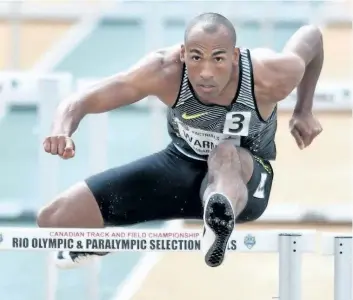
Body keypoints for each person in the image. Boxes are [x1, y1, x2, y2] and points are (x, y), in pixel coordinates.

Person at [37, 12, 323, 269]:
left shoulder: (268, 75)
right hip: (179, 166)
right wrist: (62, 128)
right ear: (183, 54)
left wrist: (303, 109)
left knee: (225, 152)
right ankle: (99, 245)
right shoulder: (165, 71)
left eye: (218, 59)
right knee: (55, 218)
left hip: (243, 180)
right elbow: (85, 98)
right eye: (197, 57)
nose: (206, 73)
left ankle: (219, 218)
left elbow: (312, 37)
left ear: (235, 56)